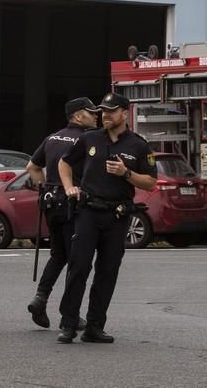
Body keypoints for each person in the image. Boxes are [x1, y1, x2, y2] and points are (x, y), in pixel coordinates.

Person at [56, 92, 157, 343]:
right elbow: (64, 162)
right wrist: (69, 186)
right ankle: (68, 323)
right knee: (79, 266)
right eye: (103, 111)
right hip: (89, 211)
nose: (106, 115)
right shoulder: (89, 138)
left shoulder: (138, 145)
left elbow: (151, 182)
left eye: (111, 111)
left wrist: (126, 173)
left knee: (107, 271)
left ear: (124, 113)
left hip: (117, 215)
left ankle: (94, 326)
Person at [25, 97, 100, 329]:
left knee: (58, 255)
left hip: (50, 203)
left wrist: (45, 187)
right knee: (77, 260)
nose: (96, 116)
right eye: (91, 113)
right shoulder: (86, 139)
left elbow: (32, 167)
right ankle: (70, 312)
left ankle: (40, 297)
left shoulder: (52, 138)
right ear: (78, 116)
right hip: (73, 204)